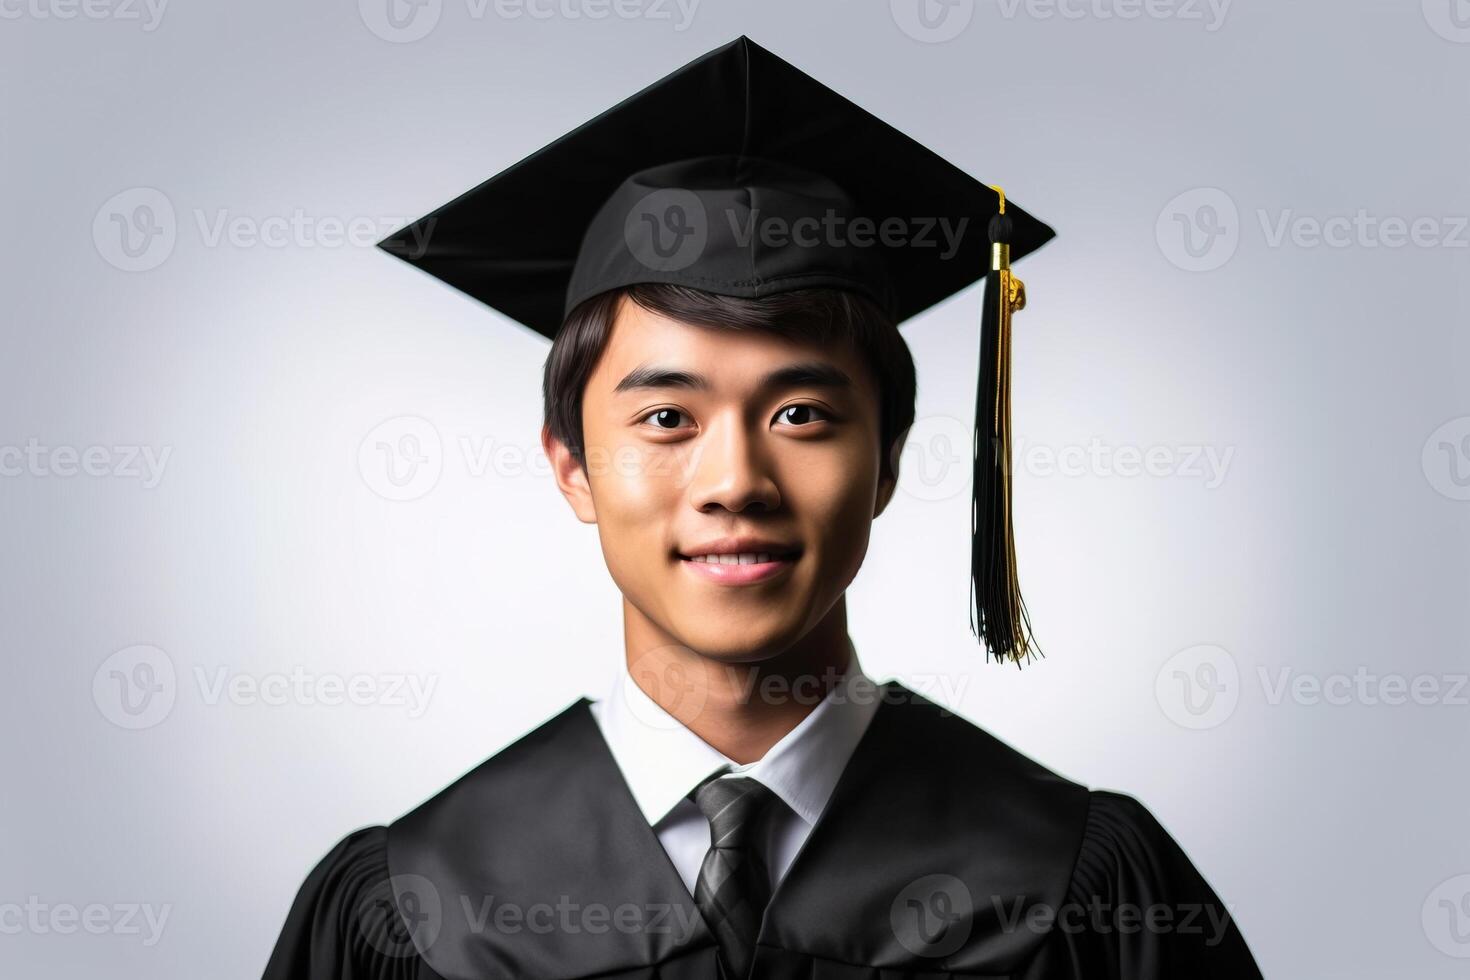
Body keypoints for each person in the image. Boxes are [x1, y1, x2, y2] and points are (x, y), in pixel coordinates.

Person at [262, 36, 1264, 980]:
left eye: (802, 413)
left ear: (888, 460)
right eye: (666, 415)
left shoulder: (1075, 883)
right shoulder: (417, 903)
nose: (736, 478)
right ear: (570, 465)